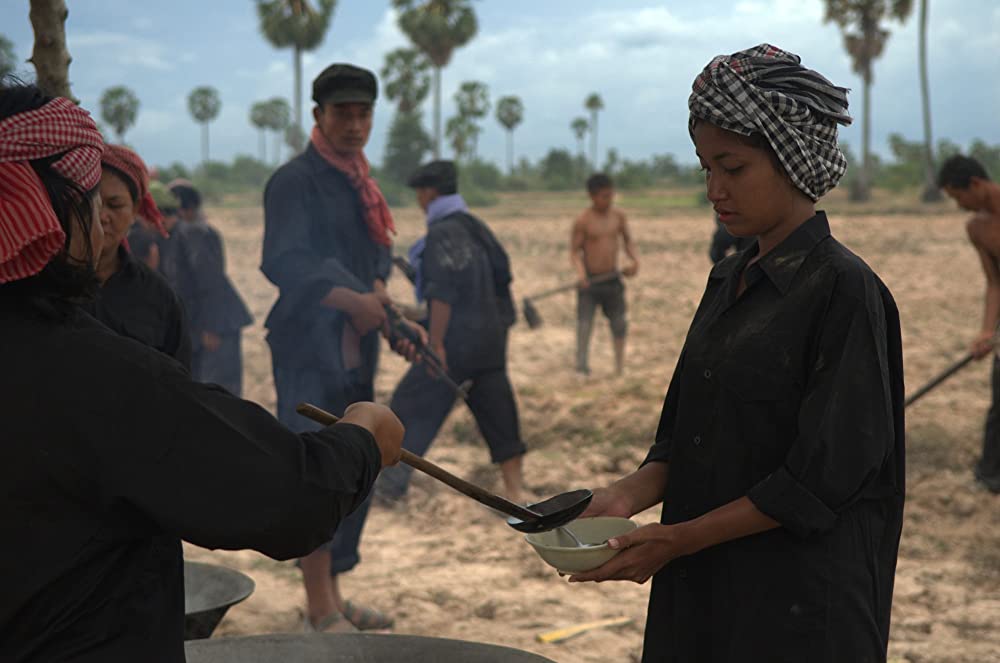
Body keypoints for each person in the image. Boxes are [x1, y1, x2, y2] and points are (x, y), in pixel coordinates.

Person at [0, 82, 404, 663]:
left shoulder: (129, 326)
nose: (106, 223)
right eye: (93, 201)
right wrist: (363, 437)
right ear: (54, 212)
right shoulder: (89, 372)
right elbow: (287, 496)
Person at [568, 45, 905, 663]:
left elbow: (817, 482)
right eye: (705, 168)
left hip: (799, 606)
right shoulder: (727, 279)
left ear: (792, 160)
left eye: (733, 167)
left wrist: (678, 539)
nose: (715, 189)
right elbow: (683, 444)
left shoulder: (844, 290)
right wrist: (616, 502)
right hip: (702, 594)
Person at [262, 62, 410, 633]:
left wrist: (384, 306)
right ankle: (319, 607)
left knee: (356, 463)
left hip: (354, 349)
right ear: (318, 115)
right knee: (318, 470)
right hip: (308, 349)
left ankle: (334, 597)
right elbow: (285, 263)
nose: (354, 124)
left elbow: (371, 262)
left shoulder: (358, 181)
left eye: (363, 113)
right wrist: (355, 303)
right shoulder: (294, 181)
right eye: (342, 113)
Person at [377, 160, 527, 504]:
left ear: (428, 193)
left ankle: (390, 487)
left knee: (410, 406)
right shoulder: (477, 227)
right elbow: (501, 278)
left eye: (418, 193)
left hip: (455, 342)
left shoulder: (441, 233)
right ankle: (515, 491)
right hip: (490, 340)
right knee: (498, 410)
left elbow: (442, 293)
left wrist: (439, 344)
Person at [88, 144, 192, 368]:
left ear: (135, 210)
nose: (102, 216)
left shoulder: (158, 296)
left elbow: (178, 383)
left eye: (115, 205)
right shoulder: (43, 291)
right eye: (92, 204)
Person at [938, 154, 1000, 493]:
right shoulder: (977, 228)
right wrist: (987, 331)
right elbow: (995, 282)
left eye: (957, 196)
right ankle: (990, 476)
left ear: (974, 184)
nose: (959, 205)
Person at [169, 180, 253, 395]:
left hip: (216, 325)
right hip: (203, 324)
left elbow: (210, 281)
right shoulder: (184, 232)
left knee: (220, 394)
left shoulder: (195, 234)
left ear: (184, 210)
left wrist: (211, 327)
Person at [570, 172, 639, 375]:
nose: (609, 200)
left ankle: (619, 367)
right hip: (590, 283)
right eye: (604, 196)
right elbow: (574, 252)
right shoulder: (583, 220)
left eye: (611, 195)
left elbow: (628, 241)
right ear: (592, 196)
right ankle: (582, 366)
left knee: (619, 324)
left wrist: (633, 261)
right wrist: (581, 274)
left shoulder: (618, 217)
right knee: (584, 325)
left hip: (612, 280)